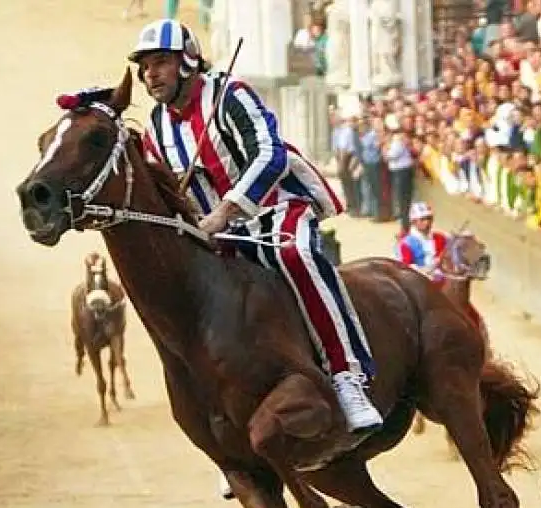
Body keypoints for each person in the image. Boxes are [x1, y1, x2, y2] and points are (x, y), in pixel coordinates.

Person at [129, 19, 382, 437]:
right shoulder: (156, 126)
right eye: (144, 67)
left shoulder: (231, 95)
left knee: (294, 254)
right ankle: (225, 418)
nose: (149, 74)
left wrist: (225, 213)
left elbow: (270, 154)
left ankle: (347, 376)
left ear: (188, 62)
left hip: (276, 208)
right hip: (216, 232)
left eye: (160, 63)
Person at [395, 202, 449, 276]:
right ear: (414, 221)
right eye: (422, 219)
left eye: (429, 218)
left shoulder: (441, 238)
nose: (427, 222)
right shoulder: (406, 244)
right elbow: (405, 270)